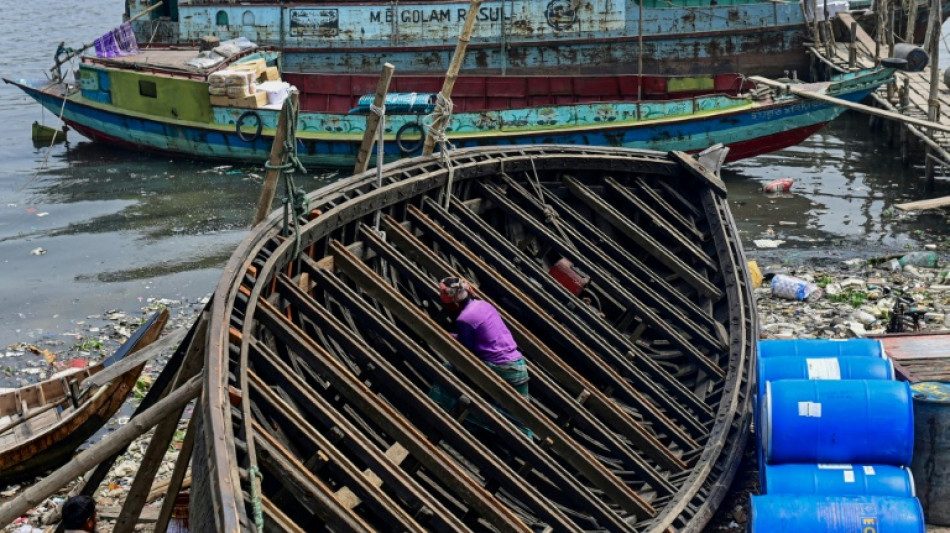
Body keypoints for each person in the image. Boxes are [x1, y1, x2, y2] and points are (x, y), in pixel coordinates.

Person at [433, 276, 532, 438]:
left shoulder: (464, 320)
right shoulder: (484, 305)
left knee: (447, 371)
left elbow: (465, 351)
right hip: (517, 365)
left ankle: (448, 414)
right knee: (522, 414)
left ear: (454, 303)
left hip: (502, 368)